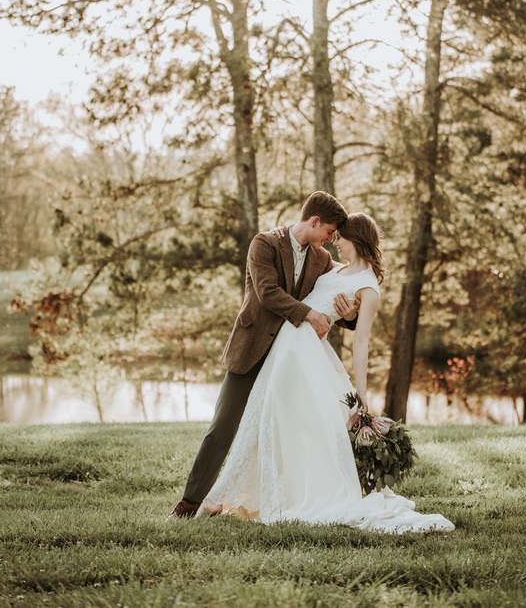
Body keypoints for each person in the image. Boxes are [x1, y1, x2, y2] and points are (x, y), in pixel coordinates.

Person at [195, 212, 455, 534]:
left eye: (340, 237)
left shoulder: (368, 289)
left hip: (303, 351)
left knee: (286, 422)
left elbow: (361, 342)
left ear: (356, 240)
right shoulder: (337, 268)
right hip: (291, 343)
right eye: (333, 235)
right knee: (273, 422)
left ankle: (239, 497)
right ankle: (236, 495)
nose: (335, 243)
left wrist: (361, 396)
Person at [170, 191, 355, 518]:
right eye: (328, 232)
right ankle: (190, 503)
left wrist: (350, 312)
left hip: (290, 361)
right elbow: (268, 293)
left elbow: (337, 295)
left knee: (286, 431)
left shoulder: (322, 259)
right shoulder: (264, 244)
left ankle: (271, 501)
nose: (330, 240)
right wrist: (309, 314)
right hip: (251, 349)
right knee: (223, 427)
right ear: (315, 221)